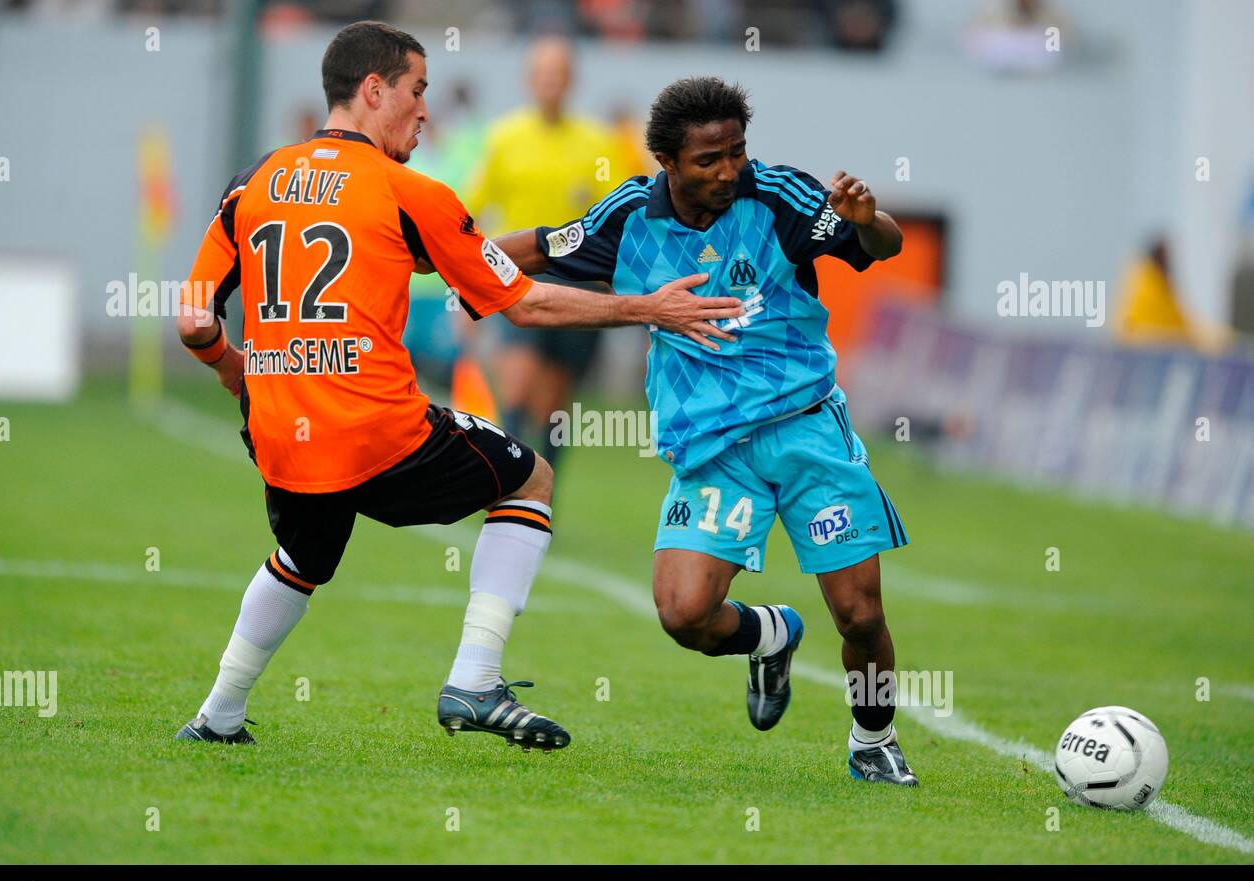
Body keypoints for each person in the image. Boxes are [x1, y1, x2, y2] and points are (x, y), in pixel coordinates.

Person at [173, 24, 742, 751]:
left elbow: (195, 320)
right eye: (417, 91)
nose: (425, 111)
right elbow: (524, 301)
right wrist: (648, 307)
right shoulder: (409, 189)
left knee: (301, 559)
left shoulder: (251, 182)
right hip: (379, 430)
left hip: (282, 431)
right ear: (374, 91)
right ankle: (475, 680)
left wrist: (236, 374)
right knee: (529, 477)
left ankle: (218, 714)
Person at [495, 77, 918, 784]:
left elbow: (883, 243)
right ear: (665, 160)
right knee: (685, 613)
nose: (729, 170)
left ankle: (873, 738)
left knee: (861, 612)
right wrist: (443, 255)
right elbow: (536, 247)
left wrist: (869, 219)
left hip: (806, 426)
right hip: (714, 449)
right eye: (708, 160)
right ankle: (772, 633)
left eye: (737, 152)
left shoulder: (780, 195)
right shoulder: (630, 215)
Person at [466, 36, 623, 465]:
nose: (550, 83)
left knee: (553, 409)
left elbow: (623, 214)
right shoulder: (504, 138)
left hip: (579, 285)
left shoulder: (598, 142)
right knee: (515, 388)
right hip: (518, 278)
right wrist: (463, 287)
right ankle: (507, 486)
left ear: (571, 80)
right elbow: (470, 212)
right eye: (542, 74)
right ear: (529, 80)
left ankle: (540, 498)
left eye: (558, 74)